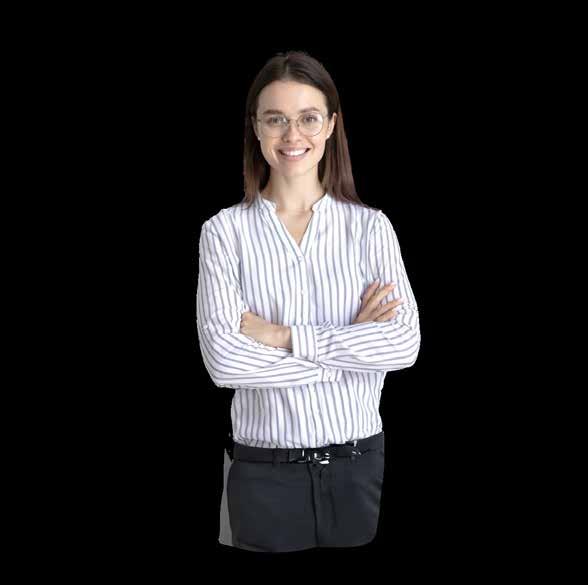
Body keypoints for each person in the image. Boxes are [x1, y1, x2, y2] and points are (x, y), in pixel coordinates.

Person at [196, 50, 420, 553]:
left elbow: (404, 345)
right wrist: (349, 351)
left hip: (359, 467)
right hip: (263, 474)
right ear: (256, 127)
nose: (292, 135)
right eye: (275, 119)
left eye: (308, 118)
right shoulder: (224, 233)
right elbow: (225, 362)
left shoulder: (370, 228)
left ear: (331, 125)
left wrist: (281, 337)